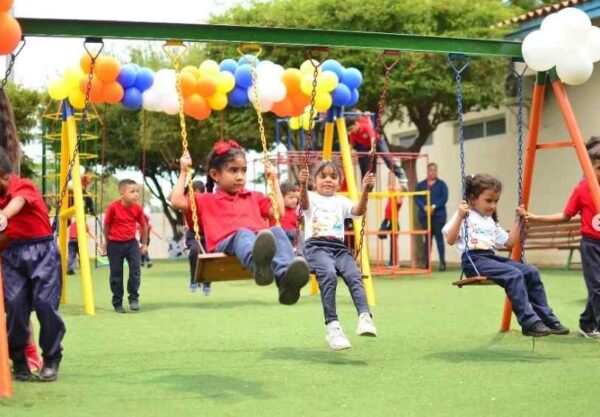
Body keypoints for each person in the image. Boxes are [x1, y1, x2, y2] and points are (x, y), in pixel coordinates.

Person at [170, 139, 309, 305]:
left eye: (243, 171)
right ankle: (258, 266)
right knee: (243, 233)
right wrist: (184, 172)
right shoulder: (206, 200)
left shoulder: (253, 196)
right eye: (233, 171)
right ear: (215, 175)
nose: (240, 176)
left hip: (258, 238)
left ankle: (285, 280)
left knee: (276, 231)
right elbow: (176, 201)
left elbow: (278, 211)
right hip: (228, 241)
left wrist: (274, 181)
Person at [443, 173, 569, 337]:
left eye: (496, 201)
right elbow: (451, 240)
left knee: (531, 272)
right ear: (473, 199)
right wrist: (460, 216)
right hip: (474, 260)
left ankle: (547, 319)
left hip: (490, 258)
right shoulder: (465, 215)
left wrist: (518, 221)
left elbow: (509, 243)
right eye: (488, 200)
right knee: (513, 274)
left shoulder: (490, 221)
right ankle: (529, 322)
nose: (493, 205)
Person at [519, 140, 600, 338]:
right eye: (598, 168)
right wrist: (537, 218)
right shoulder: (582, 190)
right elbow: (565, 215)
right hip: (591, 245)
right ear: (588, 168)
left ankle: (587, 324)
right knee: (597, 286)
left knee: (597, 287)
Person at [0, 148, 66, 381]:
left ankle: (51, 357)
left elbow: (16, 204)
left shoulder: (22, 185)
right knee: (15, 307)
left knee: (45, 305)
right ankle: (19, 359)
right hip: (12, 255)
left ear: (4, 175)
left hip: (42, 253)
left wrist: (2, 216)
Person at [298, 161, 377, 351]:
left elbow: (358, 211)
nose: (328, 180)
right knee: (329, 275)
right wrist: (302, 185)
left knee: (354, 275)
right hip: (316, 246)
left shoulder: (341, 200)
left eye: (333, 177)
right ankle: (333, 327)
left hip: (339, 247)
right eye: (323, 176)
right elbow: (304, 206)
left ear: (339, 182)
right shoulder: (310, 196)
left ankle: (365, 317)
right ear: (314, 181)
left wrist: (366, 190)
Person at [102, 179, 148, 313]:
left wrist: (144, 244)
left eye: (137, 191)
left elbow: (144, 225)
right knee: (116, 275)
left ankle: (133, 298)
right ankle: (117, 303)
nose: (136, 194)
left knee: (135, 271)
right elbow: (106, 225)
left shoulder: (137, 208)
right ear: (122, 194)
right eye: (132, 191)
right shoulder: (113, 207)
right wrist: (106, 242)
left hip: (132, 243)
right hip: (115, 244)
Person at [347, 111, 406, 182]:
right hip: (367, 146)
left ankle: (400, 174)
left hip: (378, 142)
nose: (351, 131)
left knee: (386, 156)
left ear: (356, 124)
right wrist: (348, 153)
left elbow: (372, 138)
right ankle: (368, 186)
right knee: (369, 166)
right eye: (349, 130)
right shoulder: (353, 133)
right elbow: (352, 144)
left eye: (351, 128)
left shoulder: (365, 126)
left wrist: (372, 149)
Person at [416, 162, 448, 270]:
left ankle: (442, 263)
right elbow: (416, 198)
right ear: (427, 171)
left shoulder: (442, 185)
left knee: (439, 239)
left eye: (435, 170)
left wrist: (434, 207)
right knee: (427, 240)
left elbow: (444, 198)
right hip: (425, 217)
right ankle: (427, 264)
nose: (433, 172)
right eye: (431, 170)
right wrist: (424, 207)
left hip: (438, 217)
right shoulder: (421, 185)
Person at [183, 180, 211, 295]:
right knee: (194, 251)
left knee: (209, 256)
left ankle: (207, 283)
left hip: (208, 233)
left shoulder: (207, 199)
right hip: (193, 233)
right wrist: (183, 173)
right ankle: (193, 280)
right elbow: (171, 198)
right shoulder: (187, 199)